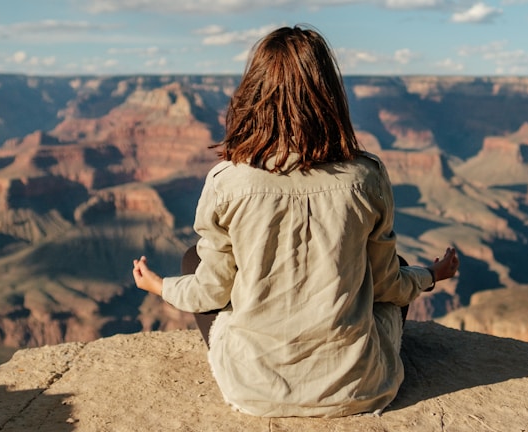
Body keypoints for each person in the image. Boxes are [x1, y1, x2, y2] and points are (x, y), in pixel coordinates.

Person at [130, 24, 459, 418]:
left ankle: (260, 369)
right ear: (329, 95)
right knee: (399, 266)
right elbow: (388, 285)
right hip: (359, 389)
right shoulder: (366, 176)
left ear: (253, 94)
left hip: (253, 391)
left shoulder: (226, 181)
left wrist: (159, 286)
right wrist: (430, 274)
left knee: (192, 262)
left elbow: (211, 293)